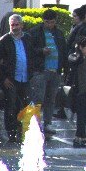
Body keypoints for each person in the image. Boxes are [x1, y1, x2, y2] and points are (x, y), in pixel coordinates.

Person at [28, 8, 67, 137]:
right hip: (41, 70)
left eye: (51, 22)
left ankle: (48, 122)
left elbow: (63, 50)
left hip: (55, 71)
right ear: (43, 20)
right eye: (47, 22)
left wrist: (64, 69)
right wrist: (41, 51)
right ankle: (35, 123)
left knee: (51, 99)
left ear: (55, 21)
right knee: (38, 98)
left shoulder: (59, 33)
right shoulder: (35, 32)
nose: (49, 24)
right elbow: (29, 49)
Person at [0, 14, 33, 144]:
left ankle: (21, 132)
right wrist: (4, 78)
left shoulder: (28, 38)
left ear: (22, 25)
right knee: (11, 106)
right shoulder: (3, 40)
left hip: (25, 78)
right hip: (11, 79)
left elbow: (31, 55)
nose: (15, 27)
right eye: (12, 25)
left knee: (25, 106)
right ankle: (11, 133)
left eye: (17, 24)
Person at [66, 37, 86, 148]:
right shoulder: (74, 56)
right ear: (80, 47)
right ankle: (81, 138)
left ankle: (80, 138)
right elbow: (76, 61)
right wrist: (78, 52)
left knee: (84, 116)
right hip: (78, 91)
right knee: (81, 116)